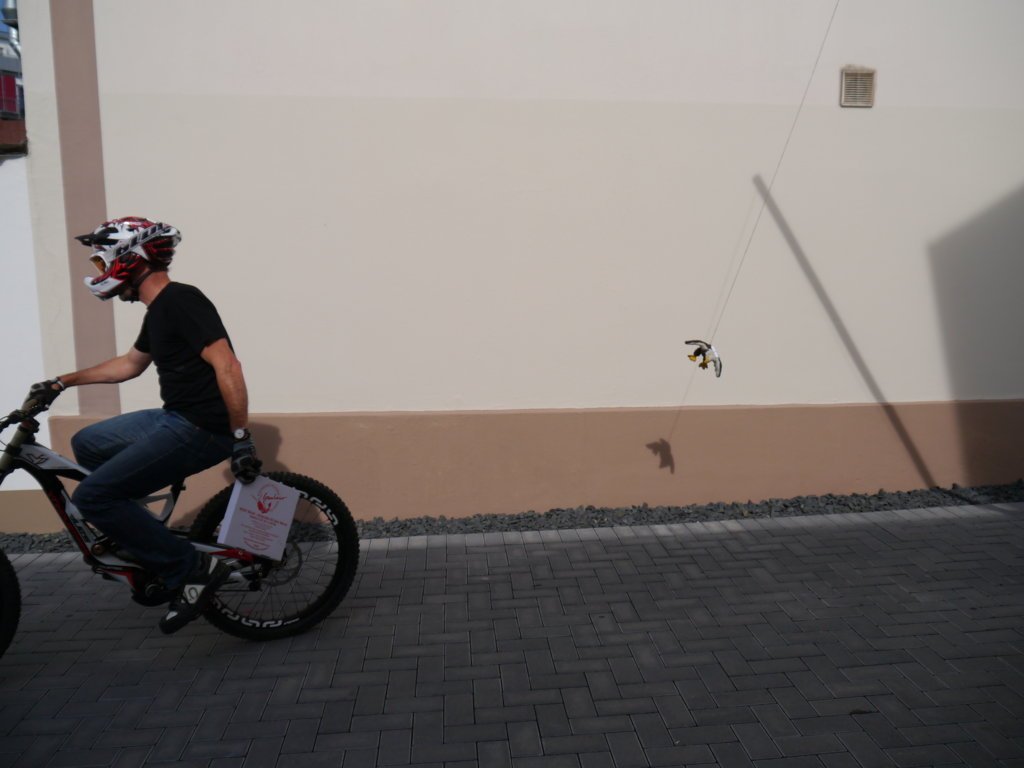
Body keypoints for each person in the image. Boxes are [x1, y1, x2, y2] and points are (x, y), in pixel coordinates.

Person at [28, 216, 262, 635]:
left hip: (200, 428)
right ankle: (141, 536)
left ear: (129, 259)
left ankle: (190, 569)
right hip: (173, 417)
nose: (100, 270)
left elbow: (228, 364)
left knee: (94, 497)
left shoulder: (182, 300)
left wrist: (241, 436)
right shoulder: (159, 311)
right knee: (89, 443)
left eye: (102, 261)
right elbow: (129, 365)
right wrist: (61, 382)